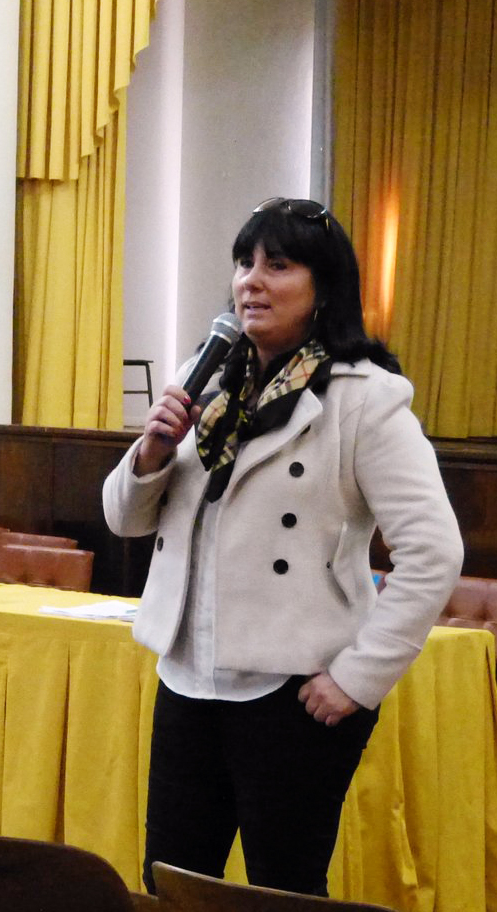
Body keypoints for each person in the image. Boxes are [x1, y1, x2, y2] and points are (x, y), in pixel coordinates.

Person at [102, 197, 463, 897]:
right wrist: (150, 451)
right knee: (169, 883)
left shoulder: (364, 398)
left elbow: (433, 551)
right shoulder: (203, 380)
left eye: (278, 264)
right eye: (244, 263)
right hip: (188, 678)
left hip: (292, 694)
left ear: (323, 286)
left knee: (283, 889)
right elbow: (125, 521)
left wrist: (359, 678)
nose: (251, 281)